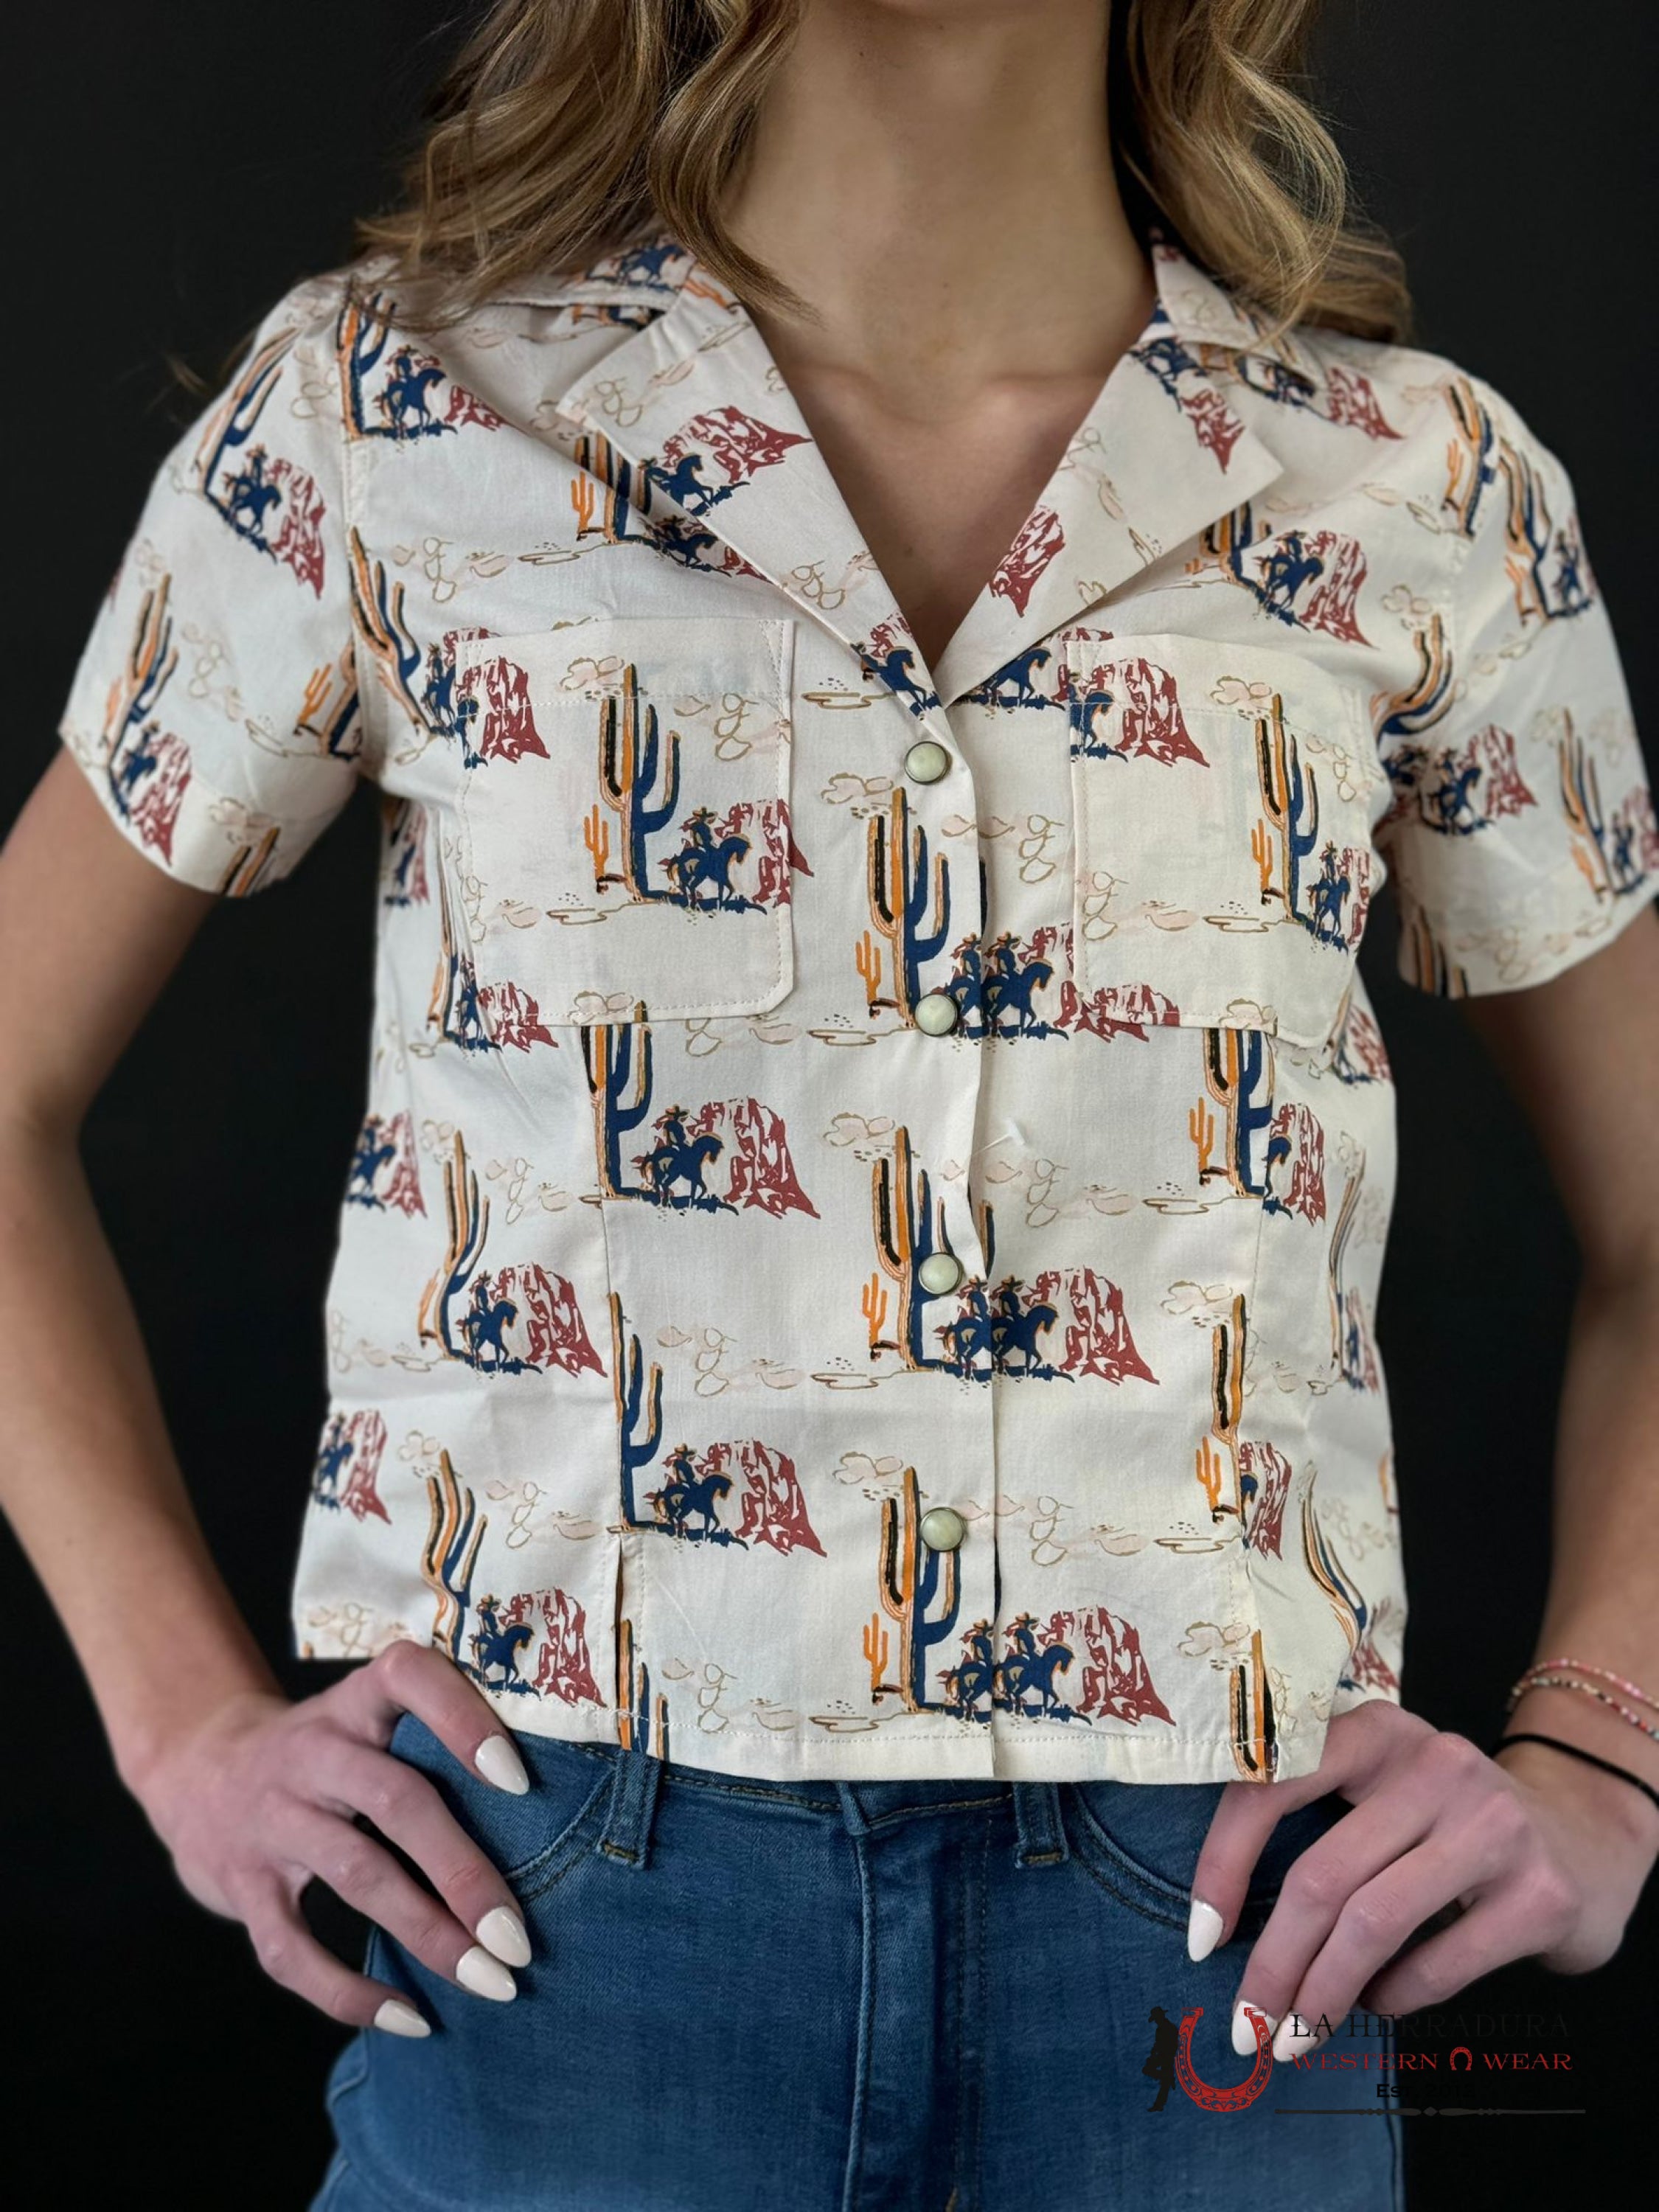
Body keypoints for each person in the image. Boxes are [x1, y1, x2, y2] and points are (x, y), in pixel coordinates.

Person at [4, 2, 1657, 2207]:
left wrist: (1601, 1754)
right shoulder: (385, 417)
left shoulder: (1414, 484)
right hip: (560, 1916)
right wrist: (180, 1721)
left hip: (1207, 1943)